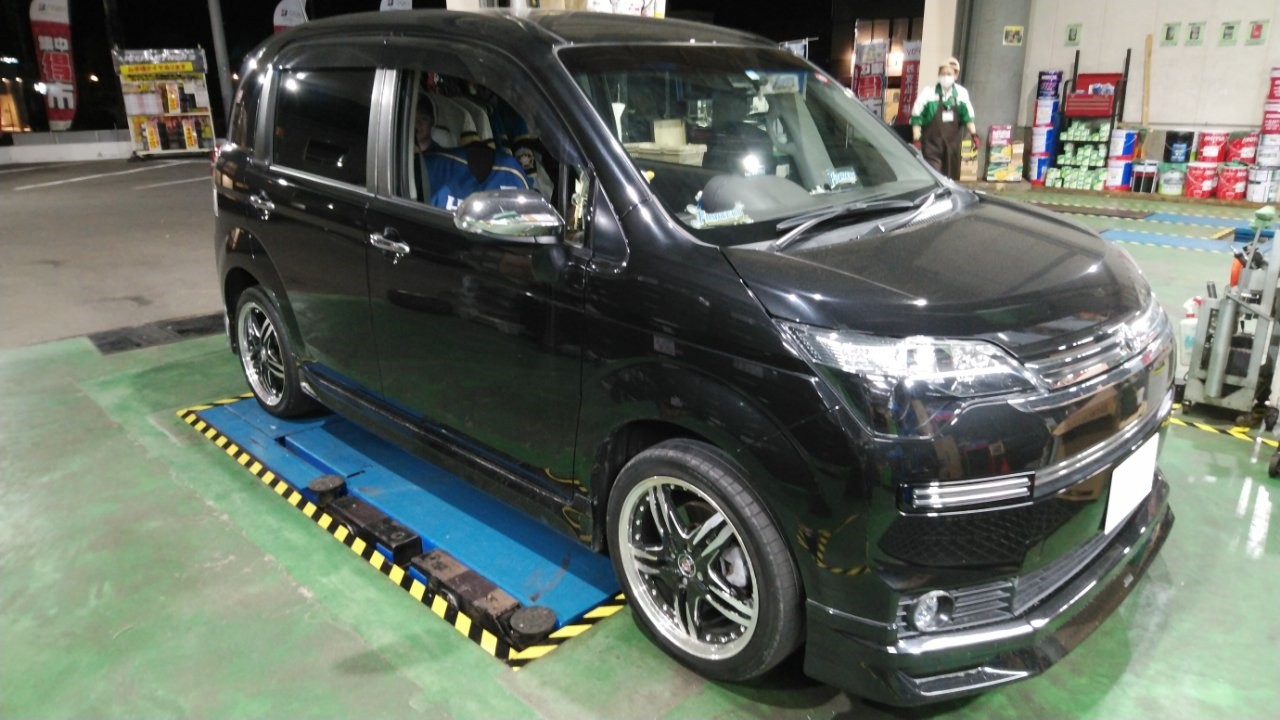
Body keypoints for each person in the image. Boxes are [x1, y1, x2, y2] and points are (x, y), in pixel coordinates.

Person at [910, 63, 979, 180]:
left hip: (952, 146)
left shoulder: (961, 94)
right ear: (938, 75)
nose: (945, 77)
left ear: (955, 76)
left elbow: (967, 116)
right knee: (934, 177)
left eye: (949, 74)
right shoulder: (928, 93)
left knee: (950, 179)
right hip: (931, 145)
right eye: (943, 74)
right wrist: (916, 138)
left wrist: (974, 134)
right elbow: (916, 118)